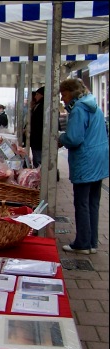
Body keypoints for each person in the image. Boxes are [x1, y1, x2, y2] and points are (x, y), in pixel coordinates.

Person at [58, 78, 109, 255]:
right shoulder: (94, 106)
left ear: (72, 92)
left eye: (64, 95)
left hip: (86, 160)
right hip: (99, 160)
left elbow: (74, 138)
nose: (63, 99)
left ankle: (82, 243)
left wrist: (60, 138)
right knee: (93, 203)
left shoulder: (79, 109)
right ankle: (92, 242)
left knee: (81, 203)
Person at [30, 86, 45, 168]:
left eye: (37, 94)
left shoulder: (42, 107)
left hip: (38, 140)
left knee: (38, 162)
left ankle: (39, 178)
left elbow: (37, 123)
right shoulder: (39, 106)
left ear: (42, 95)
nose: (35, 96)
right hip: (37, 140)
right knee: (37, 159)